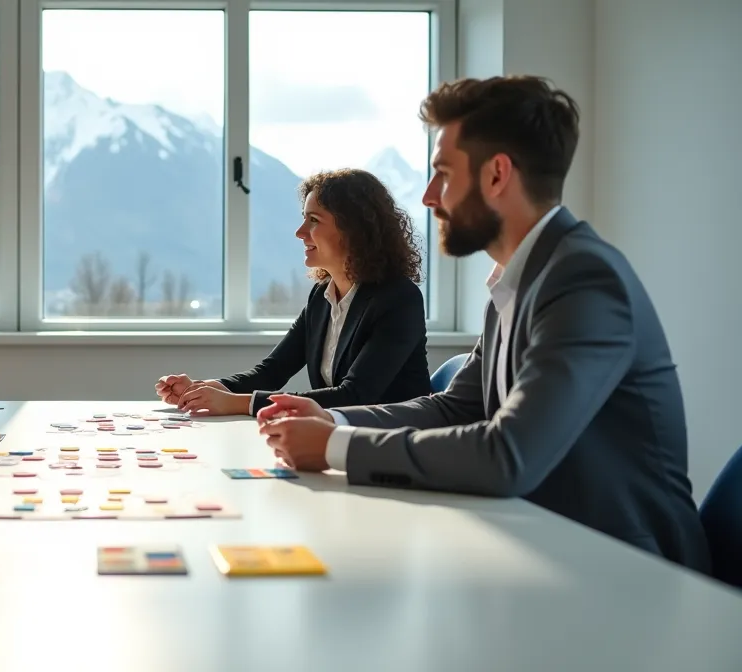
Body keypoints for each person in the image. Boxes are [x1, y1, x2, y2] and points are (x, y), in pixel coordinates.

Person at [256, 76, 711, 573]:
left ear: (497, 175)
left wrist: (334, 445)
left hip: (631, 569)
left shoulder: (584, 279)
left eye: (443, 174)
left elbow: (508, 453)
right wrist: (335, 419)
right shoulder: (516, 280)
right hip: (545, 544)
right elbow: (457, 407)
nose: (430, 197)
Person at [155, 168, 431, 416]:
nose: (300, 232)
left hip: (396, 442)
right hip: (347, 436)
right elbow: (271, 372)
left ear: (353, 230)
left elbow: (355, 396)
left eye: (313, 220)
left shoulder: (398, 299)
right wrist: (205, 390)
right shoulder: (322, 297)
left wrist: (238, 403)